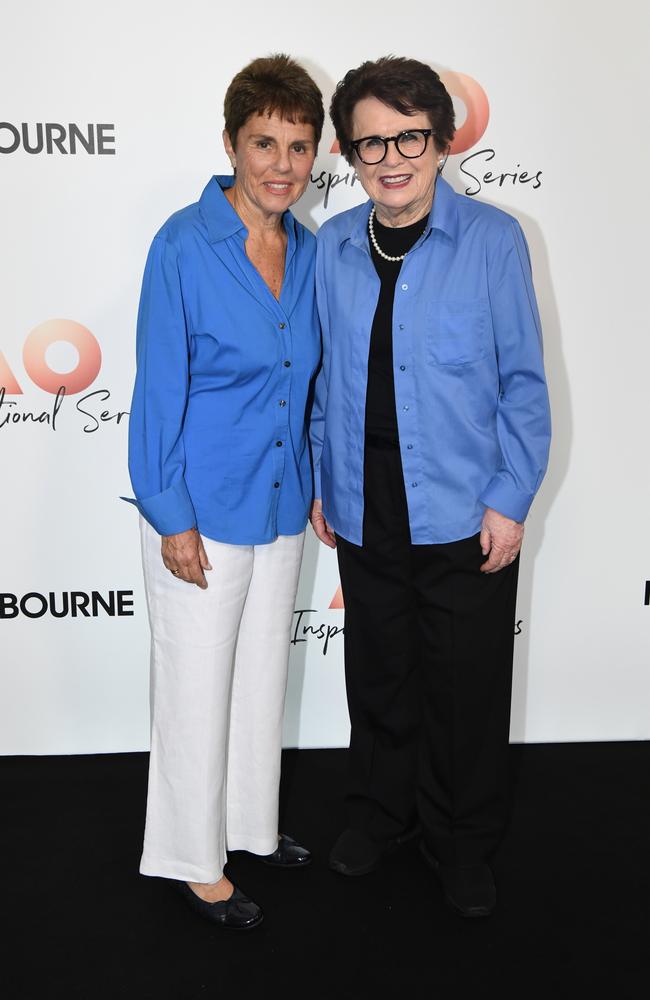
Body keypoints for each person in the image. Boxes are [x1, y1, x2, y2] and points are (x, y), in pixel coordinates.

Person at [310, 56, 551, 918]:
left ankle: (461, 841)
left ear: (440, 139)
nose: (391, 157)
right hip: (363, 505)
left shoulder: (493, 242)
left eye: (408, 134)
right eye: (370, 141)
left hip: (462, 508)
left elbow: (524, 384)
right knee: (378, 675)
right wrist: (322, 475)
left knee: (465, 687)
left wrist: (510, 498)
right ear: (349, 152)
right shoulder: (332, 246)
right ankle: (379, 813)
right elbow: (322, 376)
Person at [126, 54, 323, 930]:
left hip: (280, 504)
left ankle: (248, 826)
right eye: (264, 143)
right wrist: (169, 515)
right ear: (232, 144)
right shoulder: (181, 244)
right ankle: (190, 858)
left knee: (257, 682)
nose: (282, 165)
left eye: (299, 146)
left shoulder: (312, 252)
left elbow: (311, 386)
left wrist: (318, 481)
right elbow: (158, 391)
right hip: (200, 511)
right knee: (197, 685)